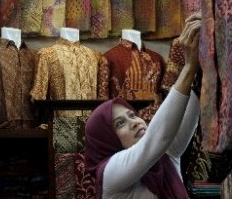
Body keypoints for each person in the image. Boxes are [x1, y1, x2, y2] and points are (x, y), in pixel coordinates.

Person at [84, 12, 202, 198]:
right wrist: (189, 67)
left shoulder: (164, 159)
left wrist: (203, 50)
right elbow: (158, 139)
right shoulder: (109, 174)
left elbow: (194, 101)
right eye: (119, 123)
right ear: (106, 140)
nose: (134, 122)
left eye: (132, 115)